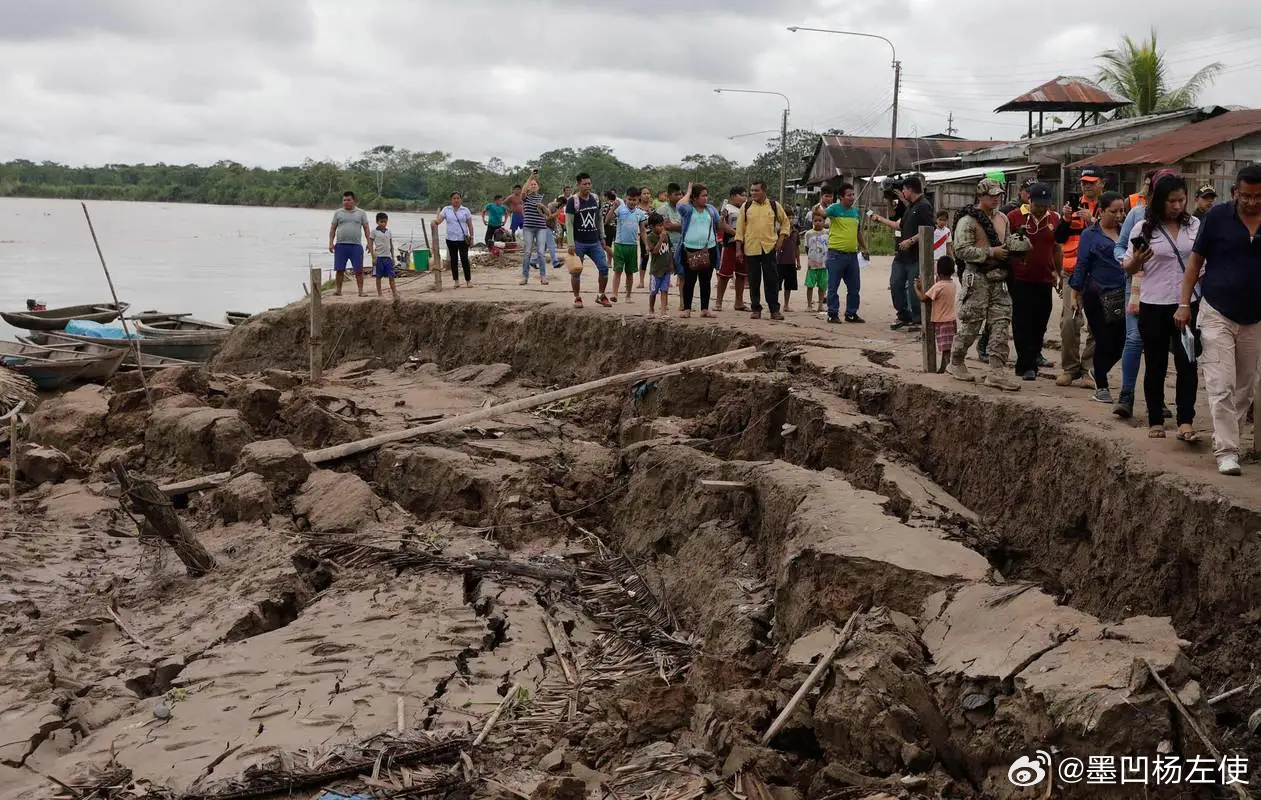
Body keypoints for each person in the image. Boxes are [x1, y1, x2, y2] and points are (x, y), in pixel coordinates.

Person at [1175, 164, 1261, 476]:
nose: (1251, 203)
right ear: (1236, 192)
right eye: (1246, 196)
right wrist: (1184, 303)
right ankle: (1227, 450)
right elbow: (1195, 262)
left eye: (1258, 197)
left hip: (1255, 317)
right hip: (1216, 311)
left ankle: (1230, 439)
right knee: (1221, 383)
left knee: (1244, 387)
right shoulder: (1217, 218)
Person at [1123, 173, 1200, 440]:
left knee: (1187, 362)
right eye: (1171, 201)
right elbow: (1129, 266)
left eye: (1181, 200)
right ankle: (1155, 419)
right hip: (1153, 303)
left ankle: (1185, 421)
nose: (1177, 206)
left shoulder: (1195, 226)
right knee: (1155, 362)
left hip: (1187, 304)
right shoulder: (1143, 228)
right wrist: (1138, 261)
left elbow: (1203, 264)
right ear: (1159, 202)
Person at [946, 179, 1028, 390]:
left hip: (999, 278)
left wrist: (1018, 246)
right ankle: (955, 361)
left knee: (1001, 324)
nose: (996, 198)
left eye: (998, 194)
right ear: (980, 196)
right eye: (991, 195)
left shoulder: (1002, 218)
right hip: (977, 278)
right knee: (972, 323)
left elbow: (1007, 242)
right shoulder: (968, 221)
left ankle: (996, 372)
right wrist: (990, 252)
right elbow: (961, 250)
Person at [1068, 192, 1128, 404]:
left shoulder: (1126, 233)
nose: (1120, 215)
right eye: (1114, 211)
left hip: (1123, 296)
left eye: (1122, 211)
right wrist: (1075, 295)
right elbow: (1081, 266)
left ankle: (1097, 371)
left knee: (1122, 343)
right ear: (1101, 211)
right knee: (1103, 341)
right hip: (1096, 295)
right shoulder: (1090, 235)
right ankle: (1102, 386)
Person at [1112, 169, 1164, 417]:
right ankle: (1126, 395)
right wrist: (1129, 261)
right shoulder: (1137, 214)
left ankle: (1158, 398)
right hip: (1137, 285)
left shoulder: (1186, 223)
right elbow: (1120, 246)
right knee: (1134, 339)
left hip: (1169, 290)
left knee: (1160, 343)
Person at [1054, 167, 1105, 387]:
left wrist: (1092, 221)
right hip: (1072, 272)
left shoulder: (1109, 206)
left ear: (1101, 183)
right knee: (1068, 322)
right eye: (1084, 182)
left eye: (1091, 182)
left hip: (1098, 274)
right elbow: (1058, 238)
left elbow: (1114, 236)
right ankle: (1070, 368)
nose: (1086, 185)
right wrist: (1065, 219)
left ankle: (1088, 370)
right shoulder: (1072, 207)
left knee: (1097, 324)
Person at [1007, 183, 1062, 380]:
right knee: (1022, 323)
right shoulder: (1014, 217)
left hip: (1045, 279)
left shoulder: (1054, 219)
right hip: (1020, 278)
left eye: (1046, 204)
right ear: (1030, 200)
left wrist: (1059, 272)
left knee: (1040, 322)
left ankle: (1030, 360)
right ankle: (1027, 364)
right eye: (1039, 204)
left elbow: (1056, 248)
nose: (1043, 208)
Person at [875, 175, 934, 330]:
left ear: (909, 190)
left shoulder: (924, 206)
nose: (901, 193)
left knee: (915, 289)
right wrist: (880, 219)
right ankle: (903, 314)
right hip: (902, 256)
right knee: (895, 284)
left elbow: (929, 230)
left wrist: (911, 241)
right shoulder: (910, 207)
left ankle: (917, 319)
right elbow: (898, 225)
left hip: (915, 256)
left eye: (903, 190)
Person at [735, 180, 790, 321]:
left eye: (756, 190)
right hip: (751, 247)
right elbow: (739, 230)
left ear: (764, 191)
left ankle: (774, 310)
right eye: (751, 190)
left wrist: (781, 239)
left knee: (771, 280)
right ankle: (756, 309)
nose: (753, 193)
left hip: (769, 247)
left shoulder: (774, 205)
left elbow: (785, 223)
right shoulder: (746, 207)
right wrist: (738, 250)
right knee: (753, 280)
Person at [565, 172, 611, 309]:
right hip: (579, 243)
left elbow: (599, 219)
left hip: (595, 241)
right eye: (584, 184)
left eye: (589, 183)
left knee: (604, 268)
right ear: (578, 184)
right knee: (576, 271)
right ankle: (577, 297)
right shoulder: (573, 201)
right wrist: (571, 243)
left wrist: (602, 236)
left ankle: (601, 295)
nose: (587, 186)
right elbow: (569, 223)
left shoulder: (596, 199)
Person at [822, 183, 866, 323]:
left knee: (854, 287)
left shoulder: (854, 212)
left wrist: (864, 247)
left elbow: (858, 231)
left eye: (853, 195)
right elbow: (820, 213)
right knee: (833, 286)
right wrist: (823, 204)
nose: (852, 197)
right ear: (841, 197)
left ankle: (851, 314)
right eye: (849, 195)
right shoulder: (834, 209)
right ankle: (832, 314)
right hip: (836, 255)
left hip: (852, 255)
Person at [676, 182, 721, 318]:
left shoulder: (711, 209)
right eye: (703, 196)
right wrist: (688, 191)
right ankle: (687, 309)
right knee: (689, 280)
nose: (706, 198)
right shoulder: (688, 209)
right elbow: (679, 205)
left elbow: (718, 224)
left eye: (707, 195)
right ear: (695, 198)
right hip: (690, 249)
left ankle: (705, 309)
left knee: (706, 280)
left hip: (709, 249)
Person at [915, 257, 958, 373]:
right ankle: (946, 367)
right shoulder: (951, 284)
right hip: (951, 319)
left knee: (945, 347)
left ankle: (946, 367)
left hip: (942, 321)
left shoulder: (938, 286)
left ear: (938, 271)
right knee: (947, 346)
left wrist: (917, 289)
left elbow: (924, 298)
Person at [606, 186, 646, 304]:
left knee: (629, 272)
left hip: (632, 246)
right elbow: (607, 221)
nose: (632, 202)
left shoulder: (640, 213)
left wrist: (647, 245)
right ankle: (614, 293)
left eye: (635, 200)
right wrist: (613, 207)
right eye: (630, 199)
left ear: (638, 200)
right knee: (617, 270)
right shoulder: (620, 210)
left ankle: (628, 296)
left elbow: (643, 231)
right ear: (626, 198)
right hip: (619, 244)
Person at [328, 190, 372, 297]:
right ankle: (338, 290)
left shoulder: (361, 213)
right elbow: (333, 229)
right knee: (339, 269)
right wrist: (330, 243)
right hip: (341, 245)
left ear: (354, 201)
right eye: (344, 200)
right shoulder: (338, 213)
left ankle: (361, 291)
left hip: (355, 246)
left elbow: (366, 229)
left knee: (358, 270)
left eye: (348, 200)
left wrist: (369, 243)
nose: (346, 202)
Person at [715, 186, 748, 311]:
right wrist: (737, 234)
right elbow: (721, 224)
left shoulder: (747, 208)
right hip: (730, 245)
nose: (744, 197)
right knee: (724, 274)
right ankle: (718, 302)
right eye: (742, 195)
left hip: (744, 245)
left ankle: (738, 302)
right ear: (734, 196)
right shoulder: (727, 209)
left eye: (745, 195)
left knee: (741, 274)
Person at [433, 191, 474, 288]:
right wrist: (434, 222)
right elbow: (439, 220)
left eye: (458, 198)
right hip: (451, 239)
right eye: (454, 198)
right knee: (454, 260)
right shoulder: (446, 210)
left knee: (464, 259)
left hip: (463, 239)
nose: (456, 200)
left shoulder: (465, 210)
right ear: (451, 200)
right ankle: (456, 281)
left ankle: (468, 281)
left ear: (461, 199)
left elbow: (470, 225)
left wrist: (472, 237)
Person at [519, 176, 552, 286]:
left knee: (541, 253)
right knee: (527, 252)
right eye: (531, 184)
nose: (533, 186)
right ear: (528, 187)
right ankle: (525, 277)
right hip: (528, 227)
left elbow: (549, 214)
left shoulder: (542, 197)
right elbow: (523, 192)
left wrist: (542, 206)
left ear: (538, 187)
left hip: (541, 227)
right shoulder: (525, 198)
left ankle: (543, 277)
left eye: (535, 184)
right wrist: (529, 178)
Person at [644, 212, 673, 316]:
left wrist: (671, 263)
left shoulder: (667, 235)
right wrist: (661, 239)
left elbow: (670, 249)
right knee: (653, 292)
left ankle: (663, 311)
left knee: (664, 290)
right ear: (652, 226)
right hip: (656, 270)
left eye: (662, 225)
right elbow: (655, 252)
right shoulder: (650, 237)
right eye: (659, 225)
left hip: (666, 269)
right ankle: (651, 309)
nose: (662, 227)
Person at [368, 211, 398, 300]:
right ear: (377, 222)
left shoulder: (389, 232)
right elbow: (370, 244)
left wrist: (393, 257)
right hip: (379, 257)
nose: (383, 224)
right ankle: (380, 293)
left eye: (385, 222)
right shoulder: (374, 232)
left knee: (391, 276)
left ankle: (394, 292)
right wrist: (373, 257)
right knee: (378, 276)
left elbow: (391, 245)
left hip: (388, 257)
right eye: (381, 222)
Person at [804, 212, 828, 313]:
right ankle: (809, 305)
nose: (817, 223)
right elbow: (806, 247)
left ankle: (820, 305)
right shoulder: (808, 233)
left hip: (823, 264)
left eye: (820, 221)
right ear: (812, 221)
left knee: (822, 286)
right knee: (810, 285)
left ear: (824, 222)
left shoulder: (827, 233)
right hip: (812, 265)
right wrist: (810, 259)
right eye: (815, 221)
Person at [776, 215, 800, 312]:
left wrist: (798, 262)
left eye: (791, 218)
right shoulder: (779, 231)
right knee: (777, 284)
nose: (790, 220)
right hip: (779, 262)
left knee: (789, 285)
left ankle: (786, 305)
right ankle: (775, 304)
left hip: (791, 263)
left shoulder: (795, 232)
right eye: (787, 218)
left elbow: (797, 248)